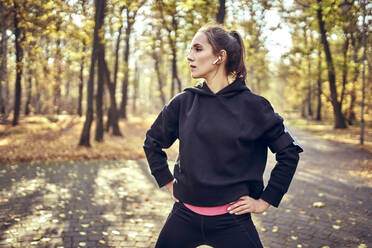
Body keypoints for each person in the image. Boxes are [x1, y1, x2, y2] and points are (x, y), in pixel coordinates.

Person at [143, 25, 303, 248]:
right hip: (184, 217)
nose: (189, 56)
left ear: (220, 57)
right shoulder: (183, 102)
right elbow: (152, 142)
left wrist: (266, 200)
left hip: (232, 221)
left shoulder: (255, 107)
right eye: (190, 50)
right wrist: (168, 183)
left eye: (198, 49)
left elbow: (289, 152)